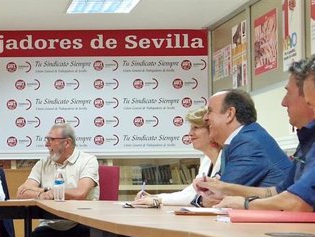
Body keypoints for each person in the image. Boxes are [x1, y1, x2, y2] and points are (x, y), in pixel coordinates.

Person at [197, 58, 315, 211]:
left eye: (288, 93)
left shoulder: (249, 141)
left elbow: (298, 202)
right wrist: (224, 188)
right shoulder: (307, 138)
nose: (283, 102)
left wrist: (245, 203)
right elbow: (277, 192)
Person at [15, 123, 99, 237]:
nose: (47, 144)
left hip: (81, 222)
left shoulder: (87, 160)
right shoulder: (43, 163)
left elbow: (80, 193)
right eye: (47, 139)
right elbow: (22, 192)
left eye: (51, 140)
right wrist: (44, 191)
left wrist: (48, 191)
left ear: (67, 142)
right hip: (51, 224)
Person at [193, 89, 291, 207]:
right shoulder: (236, 141)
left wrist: (201, 199)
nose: (205, 118)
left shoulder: (248, 142)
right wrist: (204, 196)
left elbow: (219, 194)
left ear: (229, 114)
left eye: (209, 111)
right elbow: (214, 190)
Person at [133, 106, 222, 206]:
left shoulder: (228, 158)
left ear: (211, 129)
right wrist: (156, 197)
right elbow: (190, 193)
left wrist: (158, 199)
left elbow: (205, 197)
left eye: (195, 128)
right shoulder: (207, 160)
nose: (190, 134)